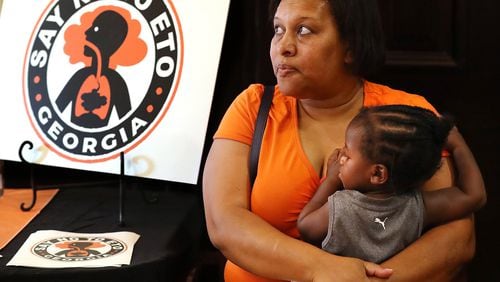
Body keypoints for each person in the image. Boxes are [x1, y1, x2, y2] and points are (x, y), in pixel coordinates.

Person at [202, 0, 477, 281]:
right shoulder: (252, 106)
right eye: (278, 29)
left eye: (304, 30)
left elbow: (457, 236)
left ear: (351, 46)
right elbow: (224, 223)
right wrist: (322, 269)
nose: (283, 46)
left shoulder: (405, 116)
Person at [298, 105, 486, 264]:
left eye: (348, 155)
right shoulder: (417, 209)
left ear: (377, 173)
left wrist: (332, 180)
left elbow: (305, 226)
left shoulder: (340, 208)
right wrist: (458, 145)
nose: (341, 159)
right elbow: (473, 196)